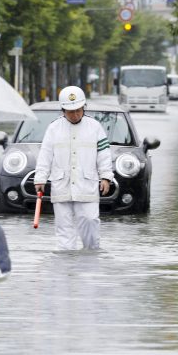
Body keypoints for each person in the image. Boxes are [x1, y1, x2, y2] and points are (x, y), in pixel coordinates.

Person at [34, 86, 114, 250]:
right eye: (71, 111)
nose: (75, 114)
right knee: (65, 232)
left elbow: (104, 154)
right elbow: (45, 155)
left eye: (78, 110)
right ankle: (66, 268)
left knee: (91, 221)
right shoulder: (53, 128)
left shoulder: (95, 127)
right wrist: (40, 178)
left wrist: (106, 176)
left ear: (84, 107)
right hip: (61, 185)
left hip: (87, 185)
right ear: (63, 110)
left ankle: (91, 262)